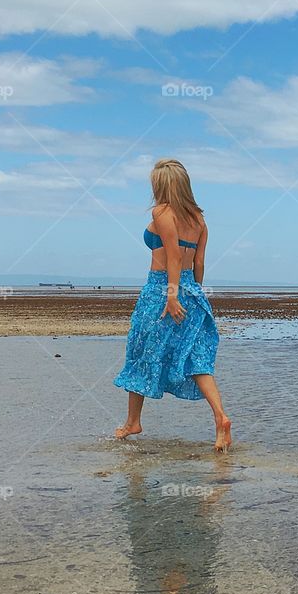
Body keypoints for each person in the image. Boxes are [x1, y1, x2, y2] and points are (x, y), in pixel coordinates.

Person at [113, 158, 232, 451]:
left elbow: (174, 257)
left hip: (162, 291)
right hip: (191, 291)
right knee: (195, 360)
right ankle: (221, 418)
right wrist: (192, 293)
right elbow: (199, 262)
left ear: (163, 185)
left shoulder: (163, 212)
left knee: (141, 351)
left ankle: (133, 421)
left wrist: (171, 296)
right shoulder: (199, 219)